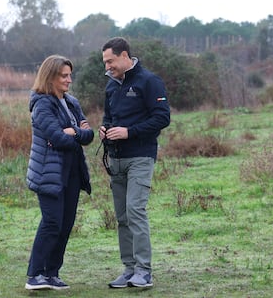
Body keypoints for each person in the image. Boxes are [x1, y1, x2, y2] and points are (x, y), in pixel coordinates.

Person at [99, 37, 170, 289]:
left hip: (140, 156)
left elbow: (162, 118)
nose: (107, 66)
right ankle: (129, 269)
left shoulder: (149, 81)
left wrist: (129, 132)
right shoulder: (110, 87)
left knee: (135, 211)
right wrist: (105, 129)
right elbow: (109, 117)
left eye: (110, 61)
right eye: (105, 62)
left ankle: (144, 271)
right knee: (121, 217)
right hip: (116, 159)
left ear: (125, 55)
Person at [25, 55, 94, 290]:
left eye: (70, 75)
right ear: (50, 77)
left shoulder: (71, 102)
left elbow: (88, 135)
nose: (69, 80)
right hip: (49, 173)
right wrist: (74, 133)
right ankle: (35, 275)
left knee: (65, 225)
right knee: (52, 222)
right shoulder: (42, 103)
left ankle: (52, 273)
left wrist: (72, 131)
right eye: (64, 76)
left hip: (73, 172)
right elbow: (57, 138)